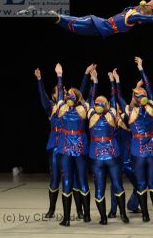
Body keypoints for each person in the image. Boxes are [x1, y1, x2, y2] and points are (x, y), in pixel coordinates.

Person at [34, 66, 94, 219]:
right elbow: (42, 96)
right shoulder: (52, 108)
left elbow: (80, 92)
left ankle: (80, 211)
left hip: (71, 145)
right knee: (55, 178)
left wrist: (86, 74)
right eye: (61, 92)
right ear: (55, 96)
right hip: (56, 147)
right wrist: (39, 80)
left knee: (74, 179)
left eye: (66, 92)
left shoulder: (72, 108)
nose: (65, 93)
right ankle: (51, 209)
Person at [115, 57, 153, 223]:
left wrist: (141, 69)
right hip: (139, 150)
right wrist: (118, 82)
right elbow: (119, 98)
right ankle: (146, 214)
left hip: (151, 148)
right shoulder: (131, 110)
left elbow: (148, 87)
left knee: (151, 183)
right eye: (138, 95)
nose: (140, 97)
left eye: (141, 95)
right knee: (142, 184)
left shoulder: (151, 106)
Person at [86, 70, 129, 225]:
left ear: (106, 105)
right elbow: (92, 98)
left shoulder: (110, 113)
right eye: (96, 103)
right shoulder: (95, 113)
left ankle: (122, 214)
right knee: (100, 188)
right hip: (98, 157)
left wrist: (109, 82)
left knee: (117, 185)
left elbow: (111, 98)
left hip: (111, 155)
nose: (97, 104)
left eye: (100, 102)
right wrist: (96, 81)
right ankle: (104, 217)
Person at [54, 63, 91, 226]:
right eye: (67, 94)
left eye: (71, 95)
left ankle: (86, 215)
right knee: (68, 181)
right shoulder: (63, 108)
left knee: (82, 180)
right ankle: (68, 218)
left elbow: (79, 93)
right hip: (67, 149)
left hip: (77, 148)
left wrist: (88, 77)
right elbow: (61, 95)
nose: (68, 96)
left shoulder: (83, 109)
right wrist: (59, 76)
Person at [17, 1, 153, 36]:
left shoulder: (135, 9)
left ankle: (39, 12)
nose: (142, 22)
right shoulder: (135, 16)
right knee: (70, 21)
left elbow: (149, 6)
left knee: (66, 25)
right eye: (143, 19)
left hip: (100, 28)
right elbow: (150, 19)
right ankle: (36, 10)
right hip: (100, 24)